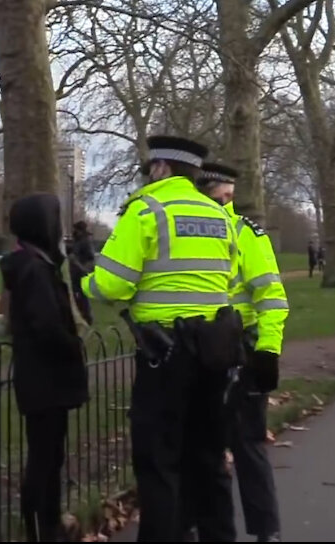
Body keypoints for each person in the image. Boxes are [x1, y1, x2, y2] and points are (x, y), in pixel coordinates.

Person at [81, 135, 240, 542]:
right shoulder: (220, 215)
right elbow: (229, 275)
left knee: (159, 461)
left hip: (165, 355)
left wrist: (87, 282)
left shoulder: (147, 209)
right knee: (207, 456)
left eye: (151, 167)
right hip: (215, 351)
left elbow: (113, 284)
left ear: (161, 168)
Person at [198, 162, 288, 543]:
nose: (227, 201)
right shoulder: (191, 231)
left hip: (240, 348)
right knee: (202, 447)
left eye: (231, 195)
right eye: (222, 194)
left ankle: (266, 531)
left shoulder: (245, 232)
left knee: (247, 444)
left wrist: (267, 351)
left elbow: (270, 294)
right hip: (199, 348)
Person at [0, 193, 89, 542]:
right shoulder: (35, 270)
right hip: (45, 377)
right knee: (43, 458)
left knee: (51, 455)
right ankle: (40, 526)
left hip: (45, 377)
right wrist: (72, 344)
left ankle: (49, 521)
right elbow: (47, 324)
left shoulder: (36, 264)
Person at [67, 221, 96, 325]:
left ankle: (88, 317)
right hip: (75, 273)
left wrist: (79, 265)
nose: (74, 231)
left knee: (82, 296)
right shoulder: (77, 241)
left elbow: (90, 259)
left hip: (81, 273)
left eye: (75, 229)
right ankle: (81, 316)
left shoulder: (85, 241)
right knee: (76, 295)